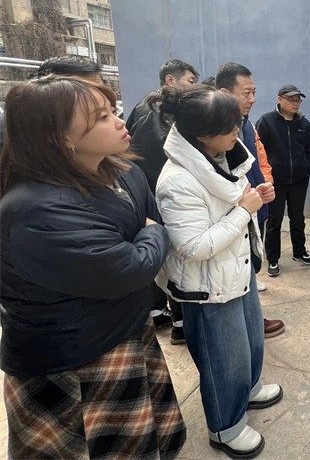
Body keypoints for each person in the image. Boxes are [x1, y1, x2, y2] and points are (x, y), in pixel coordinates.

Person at [0, 76, 186, 458]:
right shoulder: (35, 210)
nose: (119, 121)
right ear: (58, 137)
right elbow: (130, 268)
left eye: (113, 111)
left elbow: (148, 220)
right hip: (72, 358)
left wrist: (148, 231)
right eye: (102, 117)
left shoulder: (119, 170)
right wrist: (153, 233)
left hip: (122, 331)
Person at [155, 85, 282, 459]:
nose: (237, 132)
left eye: (237, 123)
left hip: (236, 271)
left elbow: (233, 204)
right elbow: (194, 247)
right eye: (229, 127)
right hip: (207, 287)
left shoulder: (223, 155)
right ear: (202, 135)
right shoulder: (177, 180)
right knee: (222, 360)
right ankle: (225, 427)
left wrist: (255, 198)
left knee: (250, 343)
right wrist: (245, 210)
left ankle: (249, 389)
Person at [126, 59, 200, 345]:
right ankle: (180, 322)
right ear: (170, 80)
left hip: (150, 196)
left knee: (160, 254)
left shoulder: (143, 107)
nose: (194, 87)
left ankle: (159, 311)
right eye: (191, 81)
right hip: (162, 197)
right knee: (172, 253)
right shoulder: (158, 111)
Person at [216, 62, 285, 337]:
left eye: (254, 92)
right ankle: (249, 323)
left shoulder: (245, 124)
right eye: (246, 93)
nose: (253, 99)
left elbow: (258, 158)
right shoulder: (218, 132)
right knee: (238, 267)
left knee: (252, 260)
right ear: (224, 93)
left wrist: (265, 183)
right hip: (238, 212)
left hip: (255, 201)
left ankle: (253, 319)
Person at [256, 84, 310, 277]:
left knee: (298, 218)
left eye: (298, 100)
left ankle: (300, 252)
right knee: (274, 221)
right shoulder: (266, 121)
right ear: (279, 99)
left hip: (299, 181)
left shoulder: (304, 124)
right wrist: (266, 177)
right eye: (291, 99)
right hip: (276, 182)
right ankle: (273, 259)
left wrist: (308, 169)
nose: (295, 103)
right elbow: (259, 151)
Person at [125, 58, 199, 131]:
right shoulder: (155, 110)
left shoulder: (168, 106)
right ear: (170, 80)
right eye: (191, 81)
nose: (196, 87)